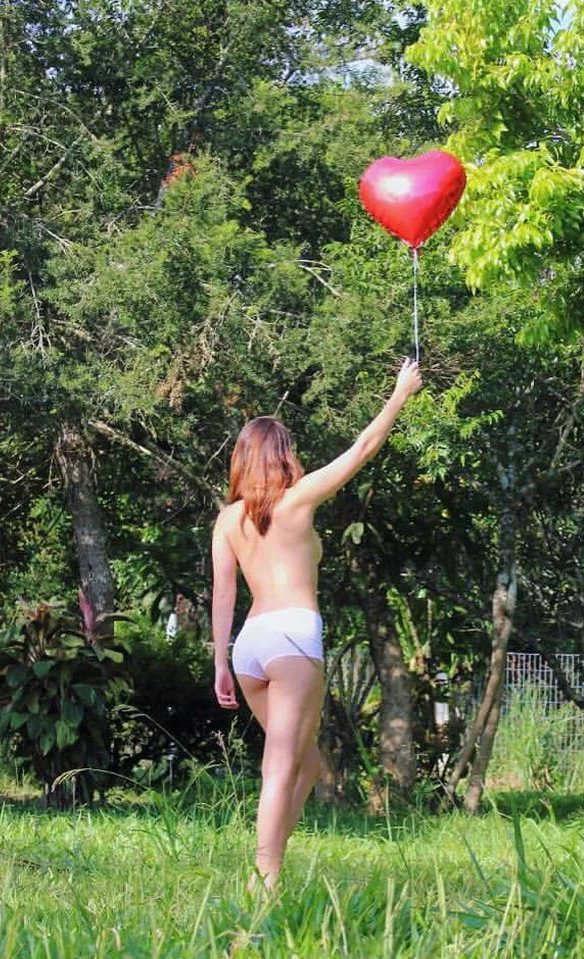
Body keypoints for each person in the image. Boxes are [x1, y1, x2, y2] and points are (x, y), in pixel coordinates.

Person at [211, 358, 423, 888]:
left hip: (250, 646)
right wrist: (400, 394)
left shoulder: (227, 518)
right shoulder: (298, 499)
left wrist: (221, 662)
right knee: (282, 765)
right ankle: (266, 880)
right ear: (283, 456)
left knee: (307, 764)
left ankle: (269, 863)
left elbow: (224, 593)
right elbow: (363, 449)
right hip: (291, 637)